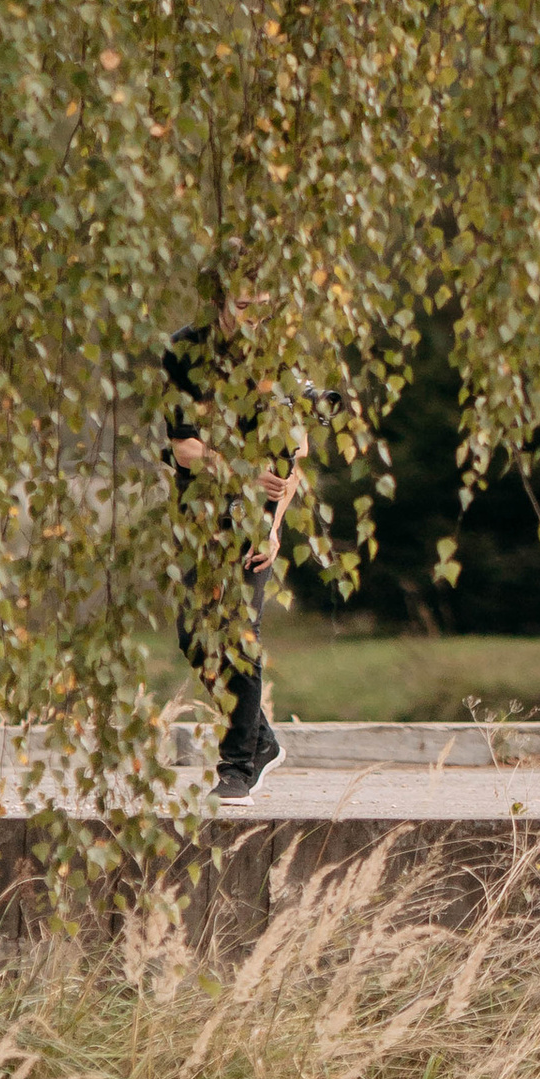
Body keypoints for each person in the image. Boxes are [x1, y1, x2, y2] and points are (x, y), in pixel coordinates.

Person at [166, 283, 303, 806]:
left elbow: (292, 460)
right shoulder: (183, 351)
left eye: (262, 309)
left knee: (240, 634)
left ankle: (237, 765)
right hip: (198, 513)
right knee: (194, 636)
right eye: (243, 307)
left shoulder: (276, 357)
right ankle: (261, 739)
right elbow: (184, 449)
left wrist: (272, 526)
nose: (252, 319)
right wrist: (244, 469)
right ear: (218, 301)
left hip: (253, 521)